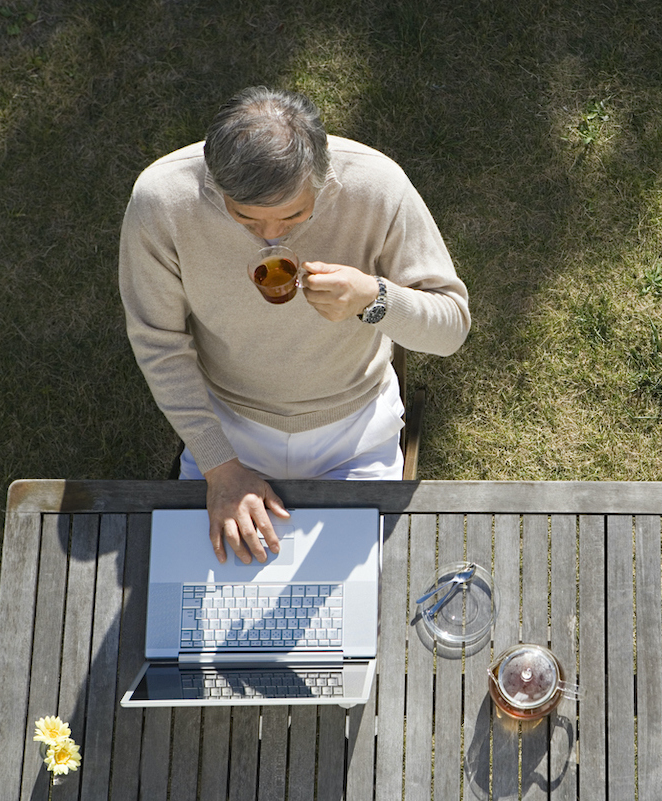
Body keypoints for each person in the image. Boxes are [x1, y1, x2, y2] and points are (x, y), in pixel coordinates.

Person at [119, 87, 470, 565]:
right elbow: (158, 343)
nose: (272, 237)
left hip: (356, 431)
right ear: (213, 181)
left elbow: (451, 330)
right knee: (196, 609)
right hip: (229, 425)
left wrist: (375, 298)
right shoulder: (162, 201)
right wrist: (219, 464)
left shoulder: (377, 186)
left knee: (355, 614)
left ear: (323, 180)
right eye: (245, 218)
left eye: (293, 215)